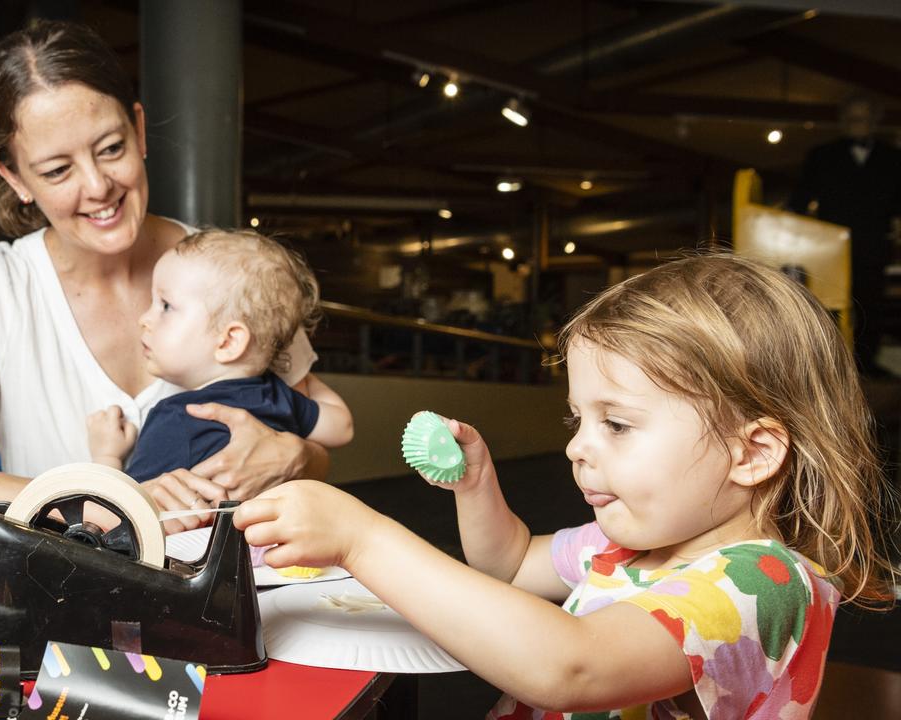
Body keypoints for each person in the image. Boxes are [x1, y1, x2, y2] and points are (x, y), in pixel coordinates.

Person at [235, 254, 898, 718]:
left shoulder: (761, 585)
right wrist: (477, 488)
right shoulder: (627, 544)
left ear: (751, 453)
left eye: (617, 423)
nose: (578, 447)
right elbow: (512, 563)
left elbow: (570, 667)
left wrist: (364, 539)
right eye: (580, 419)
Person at [0, 20, 342, 523]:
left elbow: (311, 455)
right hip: (62, 587)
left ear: (140, 130)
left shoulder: (232, 271)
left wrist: (298, 457)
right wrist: (100, 501)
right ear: (14, 176)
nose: (98, 186)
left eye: (110, 149)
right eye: (58, 170)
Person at [87, 230, 353, 485]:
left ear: (228, 341)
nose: (144, 319)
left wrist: (107, 456)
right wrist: (286, 366)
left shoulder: (176, 420)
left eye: (166, 306)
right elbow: (342, 427)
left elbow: (123, 514)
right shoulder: (277, 397)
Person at [789, 94, 901, 378]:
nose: (857, 124)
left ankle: (866, 364)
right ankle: (830, 366)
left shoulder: (893, 158)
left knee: (870, 305)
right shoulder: (821, 155)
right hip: (828, 247)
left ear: (875, 121)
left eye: (863, 118)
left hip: (873, 244)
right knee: (828, 304)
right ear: (842, 121)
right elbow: (800, 201)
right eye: (851, 118)